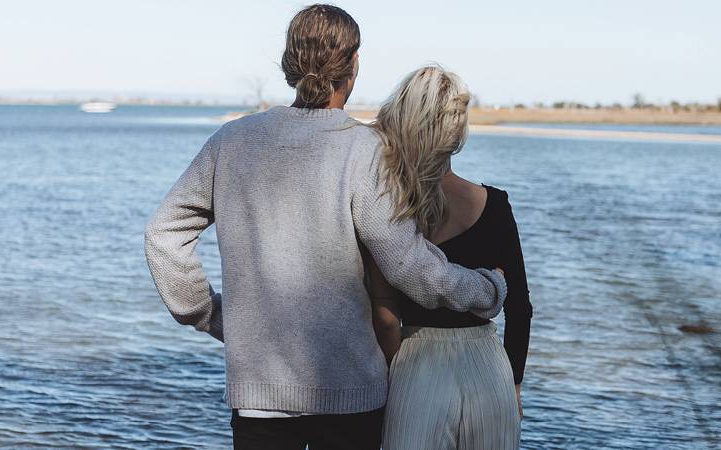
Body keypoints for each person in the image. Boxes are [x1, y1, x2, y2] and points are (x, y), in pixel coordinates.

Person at [143, 6, 506, 450]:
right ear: (352, 65)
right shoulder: (365, 149)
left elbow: (163, 234)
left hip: (260, 399)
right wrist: (486, 289)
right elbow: (408, 265)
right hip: (350, 399)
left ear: (290, 62)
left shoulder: (231, 141)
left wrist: (210, 314)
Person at [367, 65, 533, 450]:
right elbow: (519, 308)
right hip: (489, 372)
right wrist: (514, 384)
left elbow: (384, 314)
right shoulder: (495, 205)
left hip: (416, 366)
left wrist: (396, 372)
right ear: (458, 130)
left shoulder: (389, 209)